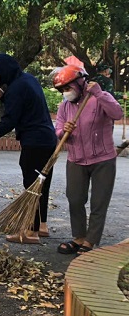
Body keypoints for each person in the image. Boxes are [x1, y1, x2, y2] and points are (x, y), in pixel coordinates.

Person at [0, 53, 57, 243]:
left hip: (35, 143)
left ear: (4, 72)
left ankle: (30, 232)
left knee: (32, 186)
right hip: (47, 140)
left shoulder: (17, 88)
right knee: (40, 184)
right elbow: (22, 106)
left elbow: (9, 121)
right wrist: (4, 97)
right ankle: (41, 225)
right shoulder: (27, 80)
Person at [52, 57, 122, 255]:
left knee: (99, 202)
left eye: (68, 87)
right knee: (75, 199)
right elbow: (58, 129)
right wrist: (63, 130)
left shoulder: (99, 99)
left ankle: (90, 241)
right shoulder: (64, 107)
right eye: (62, 89)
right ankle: (78, 237)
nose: (66, 92)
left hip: (103, 159)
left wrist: (100, 94)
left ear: (80, 83)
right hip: (76, 159)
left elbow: (117, 113)